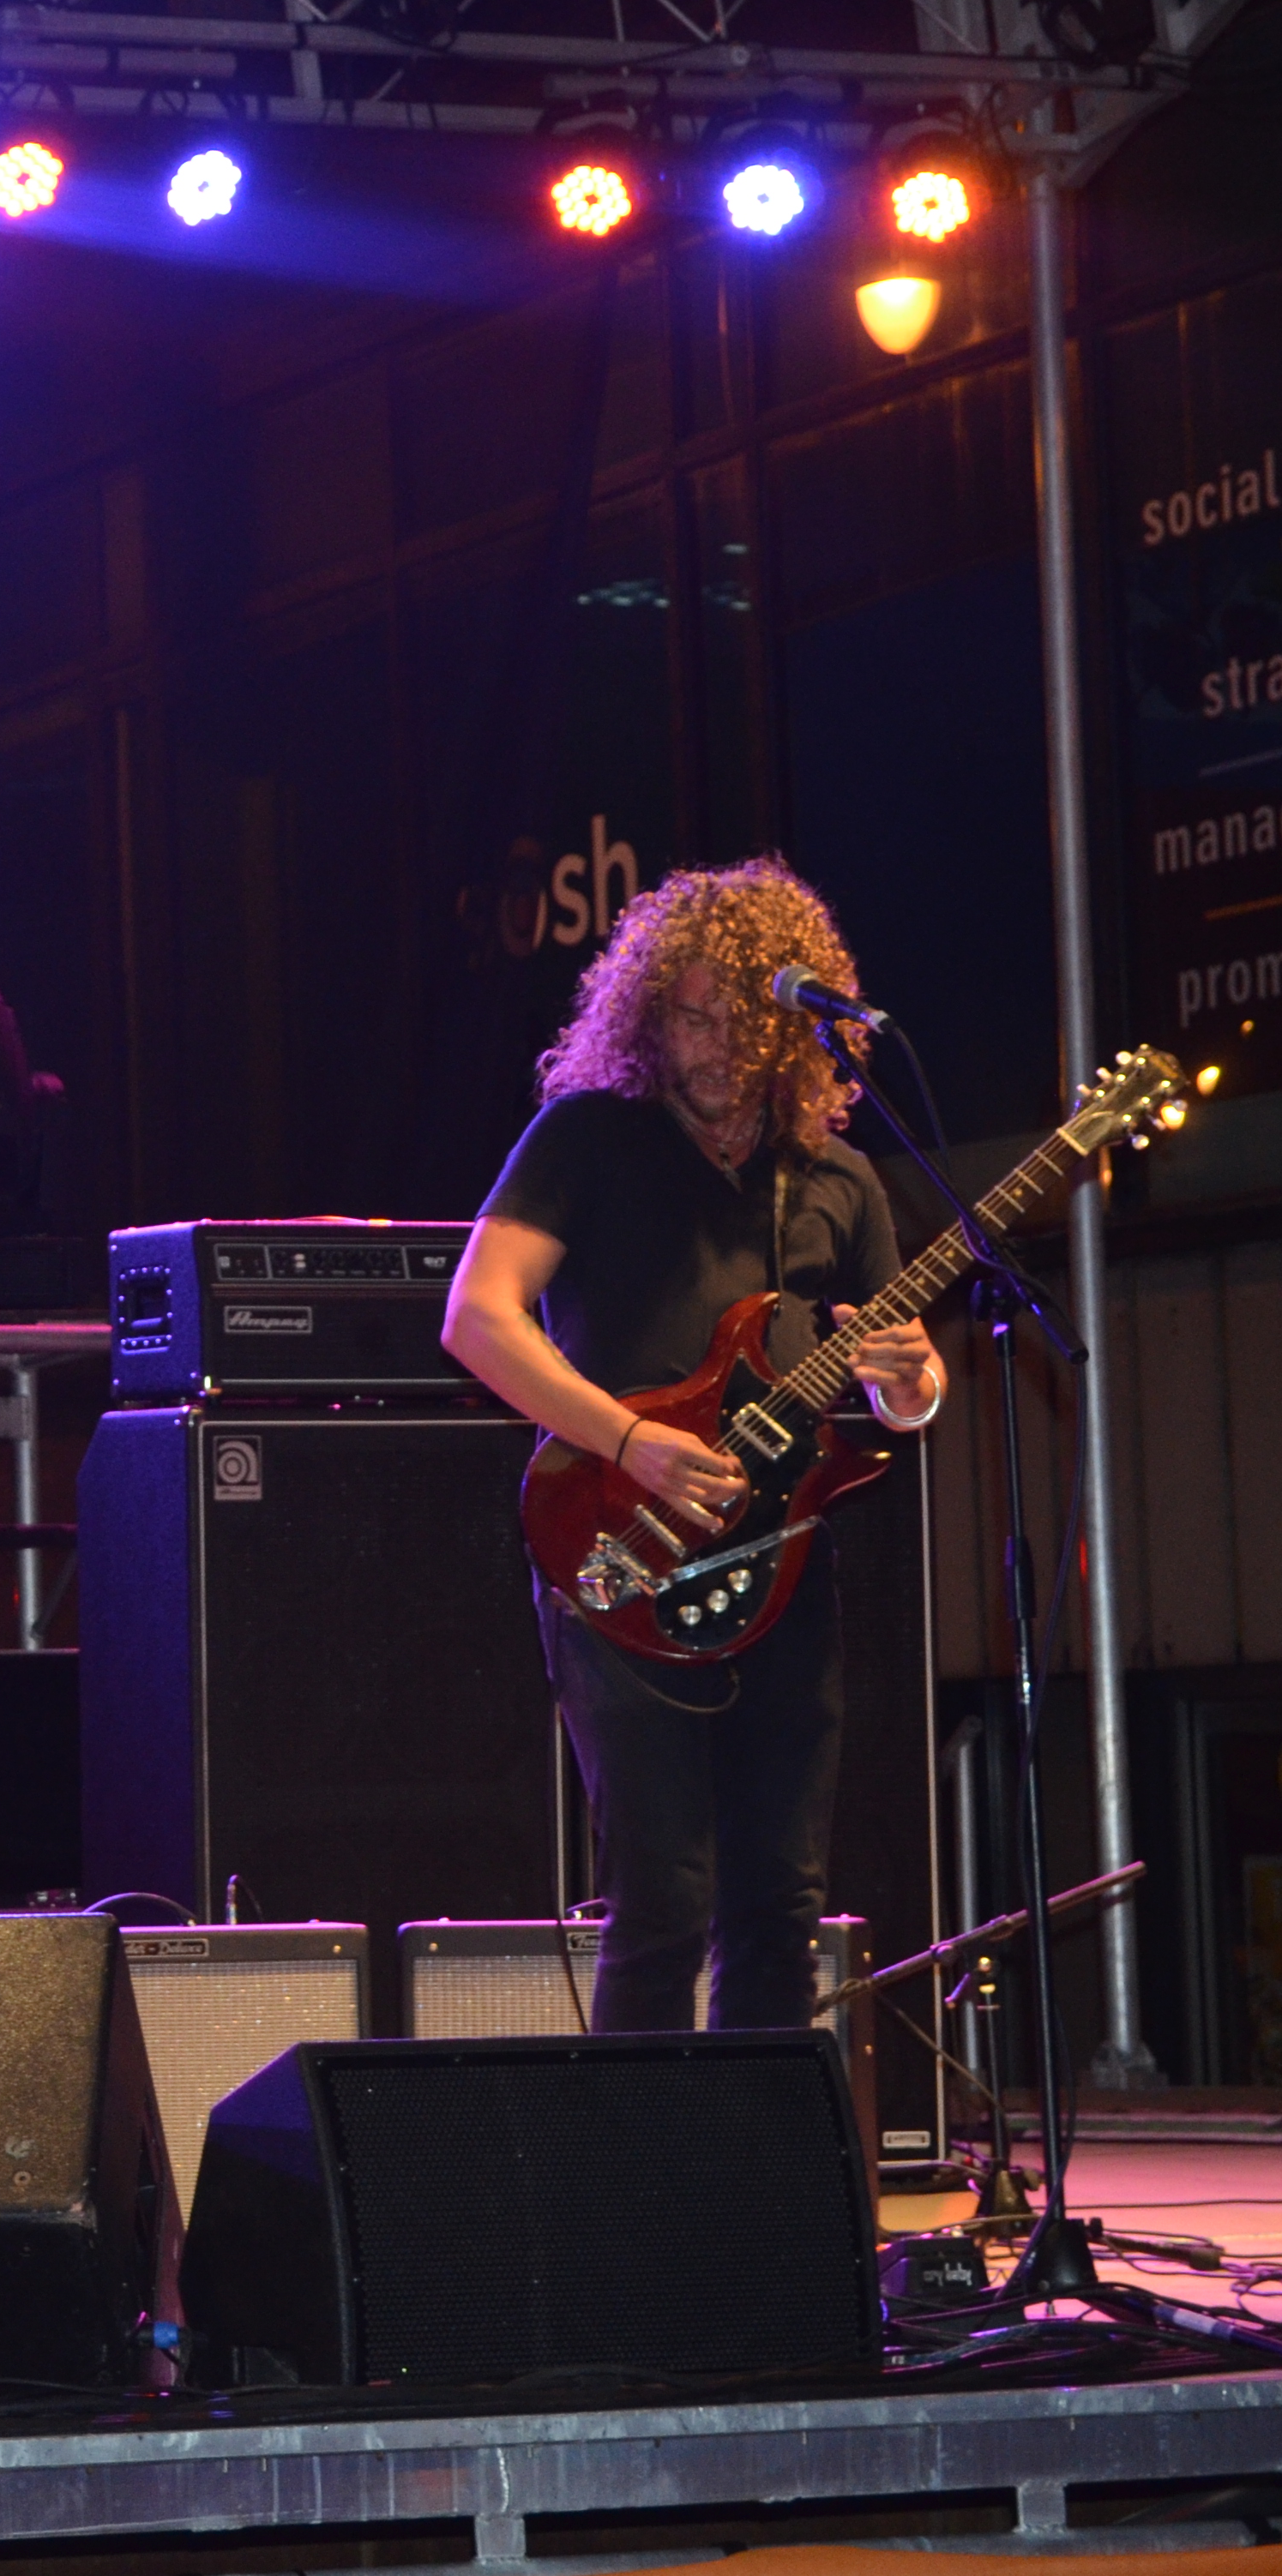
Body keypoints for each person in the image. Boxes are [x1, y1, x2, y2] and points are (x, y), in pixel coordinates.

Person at [440, 856, 943, 2034]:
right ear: (649, 1014)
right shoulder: (588, 1139)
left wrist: (912, 1383)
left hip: (781, 1564)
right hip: (619, 1540)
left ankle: (758, 2193)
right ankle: (645, 2199)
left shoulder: (840, 1183)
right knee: (664, 1899)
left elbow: (900, 1399)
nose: (713, 1045)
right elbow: (476, 1316)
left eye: (741, 1021)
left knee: (781, 1903)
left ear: (792, 1030)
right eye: (691, 1015)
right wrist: (631, 1439)